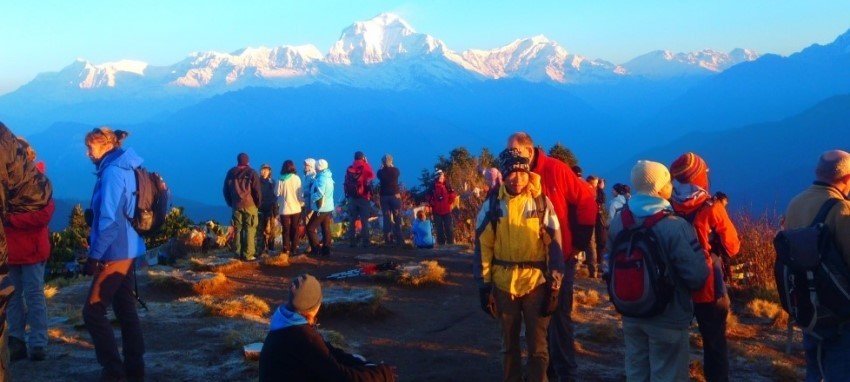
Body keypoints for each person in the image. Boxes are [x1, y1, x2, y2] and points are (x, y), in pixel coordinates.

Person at [507, 132, 596, 382]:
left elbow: (586, 200)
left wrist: (579, 241)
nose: (511, 157)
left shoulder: (556, 170)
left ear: (529, 149)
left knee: (559, 316)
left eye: (515, 151)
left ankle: (566, 373)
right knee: (537, 319)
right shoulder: (514, 177)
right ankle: (545, 371)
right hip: (530, 262)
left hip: (560, 257)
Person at [609, 160, 708, 382]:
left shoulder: (619, 222)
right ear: (659, 188)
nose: (671, 186)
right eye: (667, 182)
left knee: (636, 372)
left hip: (631, 311)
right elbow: (696, 275)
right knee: (668, 373)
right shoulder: (674, 225)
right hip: (668, 315)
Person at [474, 148, 565, 382]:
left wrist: (554, 286)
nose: (517, 179)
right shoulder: (493, 205)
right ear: (503, 175)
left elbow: (554, 246)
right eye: (512, 174)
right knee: (508, 346)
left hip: (537, 284)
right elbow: (484, 247)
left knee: (538, 347)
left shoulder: (541, 202)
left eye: (522, 173)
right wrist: (484, 286)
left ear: (528, 173)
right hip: (504, 284)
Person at [82, 127, 147, 382]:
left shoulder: (111, 172)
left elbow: (110, 221)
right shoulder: (126, 166)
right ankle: (135, 368)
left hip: (115, 251)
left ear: (105, 146)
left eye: (90, 147)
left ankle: (113, 371)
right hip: (130, 247)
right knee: (125, 308)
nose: (88, 153)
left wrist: (93, 257)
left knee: (93, 311)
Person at [669, 152, 741, 382]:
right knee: (714, 342)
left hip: (675, 282)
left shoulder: (668, 204)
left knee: (673, 340)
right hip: (708, 284)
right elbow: (733, 246)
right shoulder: (712, 208)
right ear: (699, 177)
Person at [783, 150, 850, 381]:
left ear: (817, 172)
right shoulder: (841, 209)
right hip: (840, 310)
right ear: (847, 178)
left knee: (815, 367)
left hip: (808, 305)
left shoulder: (795, 203)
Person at [259, 274, 396, 381]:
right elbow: (341, 377)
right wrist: (382, 374)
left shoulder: (287, 323)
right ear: (314, 306)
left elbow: (329, 352)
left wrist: (365, 365)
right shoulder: (303, 338)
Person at [0, 129, 53, 371]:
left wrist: (11, 220)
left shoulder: (38, 184)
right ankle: (17, 341)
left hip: (29, 251)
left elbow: (43, 215)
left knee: (33, 297)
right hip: (15, 251)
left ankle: (38, 343)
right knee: (13, 298)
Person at [223, 153, 262, 261]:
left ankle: (237, 253)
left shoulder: (231, 173)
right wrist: (258, 203)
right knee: (250, 228)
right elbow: (257, 191)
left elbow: (225, 190)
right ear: (247, 161)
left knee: (238, 228)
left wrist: (231, 203)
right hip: (250, 205)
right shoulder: (251, 172)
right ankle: (248, 254)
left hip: (236, 205)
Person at [344, 151, 375, 248]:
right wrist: (367, 163)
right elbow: (372, 176)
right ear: (363, 158)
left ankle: (352, 242)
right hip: (364, 197)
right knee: (364, 220)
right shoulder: (364, 166)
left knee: (352, 219)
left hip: (352, 197)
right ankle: (365, 242)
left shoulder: (350, 168)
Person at [306, 159, 335, 257]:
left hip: (321, 208)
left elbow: (320, 193)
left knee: (310, 228)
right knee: (325, 227)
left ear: (318, 167)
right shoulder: (328, 176)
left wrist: (312, 197)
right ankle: (326, 249)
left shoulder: (322, 178)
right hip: (328, 207)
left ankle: (316, 248)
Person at [276, 160, 302, 255]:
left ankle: (286, 248)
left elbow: (277, 193)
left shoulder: (280, 179)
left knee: (286, 229)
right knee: (295, 228)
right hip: (296, 208)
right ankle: (295, 248)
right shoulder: (297, 178)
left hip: (284, 208)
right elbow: (300, 194)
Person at [376, 154, 403, 246]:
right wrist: (391, 165)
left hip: (384, 197)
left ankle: (388, 240)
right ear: (391, 161)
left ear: (383, 162)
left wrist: (382, 168)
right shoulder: (396, 171)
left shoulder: (380, 173)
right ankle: (399, 240)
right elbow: (396, 172)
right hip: (395, 196)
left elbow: (379, 174)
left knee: (386, 218)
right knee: (397, 218)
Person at [427, 170, 456, 246]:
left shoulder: (447, 184)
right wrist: (433, 204)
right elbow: (428, 196)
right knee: (439, 229)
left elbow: (453, 194)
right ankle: (441, 244)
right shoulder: (432, 186)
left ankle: (451, 244)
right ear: (437, 177)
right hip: (436, 211)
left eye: (442, 176)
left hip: (446, 210)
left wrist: (449, 202)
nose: (442, 177)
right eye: (440, 176)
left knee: (449, 228)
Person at [258, 163, 277, 255]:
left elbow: (275, 197)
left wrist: (276, 211)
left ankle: (271, 247)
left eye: (267, 169)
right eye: (263, 169)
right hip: (260, 208)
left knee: (271, 230)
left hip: (271, 209)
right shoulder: (257, 181)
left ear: (270, 171)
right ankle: (261, 248)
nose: (264, 171)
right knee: (260, 229)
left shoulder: (273, 182)